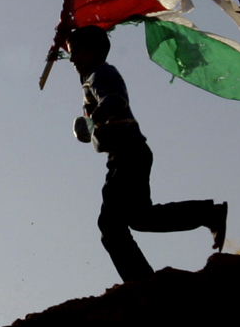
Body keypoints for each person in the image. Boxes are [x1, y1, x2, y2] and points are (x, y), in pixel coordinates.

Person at [67, 25, 228, 283]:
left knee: (111, 225)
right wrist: (66, 40)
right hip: (128, 153)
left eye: (77, 52)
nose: (72, 59)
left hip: (127, 153)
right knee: (139, 218)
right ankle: (207, 214)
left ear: (96, 51)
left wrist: (95, 118)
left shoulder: (101, 73)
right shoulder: (91, 76)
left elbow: (115, 98)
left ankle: (141, 283)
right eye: (69, 54)